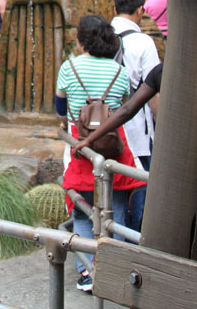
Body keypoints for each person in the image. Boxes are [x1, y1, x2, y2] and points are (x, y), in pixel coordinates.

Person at [54, 15, 143, 293]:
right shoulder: (119, 72)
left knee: (83, 209)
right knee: (115, 209)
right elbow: (124, 108)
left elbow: (60, 107)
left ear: (82, 41)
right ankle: (117, 270)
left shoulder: (69, 68)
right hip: (114, 148)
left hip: (81, 148)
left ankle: (88, 271)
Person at [111, 0, 161, 176]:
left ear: (115, 9)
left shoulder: (100, 36)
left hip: (103, 129)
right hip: (137, 130)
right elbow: (153, 90)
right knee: (140, 189)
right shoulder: (143, 42)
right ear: (140, 9)